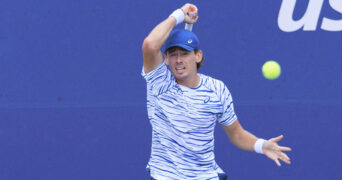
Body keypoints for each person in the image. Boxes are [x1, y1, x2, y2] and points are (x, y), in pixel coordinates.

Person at [141, 3, 292, 180]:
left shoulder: (217, 89)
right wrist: (180, 14)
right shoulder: (159, 82)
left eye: (185, 53)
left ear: (198, 56)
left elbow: (236, 133)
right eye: (173, 54)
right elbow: (150, 44)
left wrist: (262, 145)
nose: (178, 60)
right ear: (165, 58)